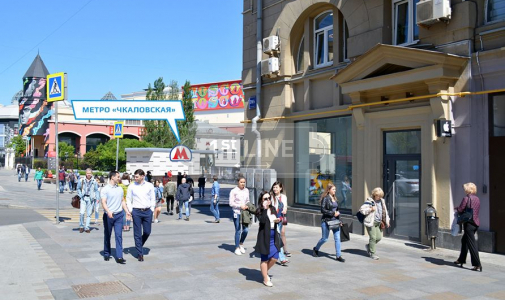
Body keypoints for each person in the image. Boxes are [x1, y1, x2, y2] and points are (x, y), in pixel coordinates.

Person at [126, 169, 156, 262]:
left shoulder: (149, 185)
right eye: (135, 176)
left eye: (137, 176)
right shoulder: (132, 186)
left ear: (143, 176)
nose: (135, 178)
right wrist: (131, 210)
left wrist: (151, 209)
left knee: (147, 232)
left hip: (147, 211)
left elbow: (152, 198)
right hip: (136, 211)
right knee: (137, 233)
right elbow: (128, 199)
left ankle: (139, 244)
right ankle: (140, 253)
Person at [312, 183, 345, 262]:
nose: (335, 191)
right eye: (333, 189)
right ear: (329, 190)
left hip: (335, 221)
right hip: (326, 221)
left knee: (337, 238)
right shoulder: (325, 198)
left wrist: (339, 220)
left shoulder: (335, 198)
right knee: (325, 239)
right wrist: (333, 213)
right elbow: (322, 210)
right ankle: (316, 249)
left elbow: (337, 210)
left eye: (335, 189)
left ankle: (338, 255)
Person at [255, 191, 282, 287]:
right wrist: (265, 208)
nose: (268, 200)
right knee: (264, 259)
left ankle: (264, 272)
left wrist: (278, 220)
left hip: (273, 236)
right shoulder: (259, 210)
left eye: (269, 198)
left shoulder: (273, 208)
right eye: (265, 199)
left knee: (275, 257)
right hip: (264, 237)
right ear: (261, 201)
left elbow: (275, 219)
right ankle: (265, 279)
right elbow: (262, 221)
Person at [101, 171, 129, 264]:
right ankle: (106, 253)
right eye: (117, 176)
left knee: (118, 235)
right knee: (107, 235)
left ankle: (119, 256)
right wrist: (108, 211)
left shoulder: (120, 189)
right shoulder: (105, 189)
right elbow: (103, 202)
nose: (119, 178)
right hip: (109, 216)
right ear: (112, 177)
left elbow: (122, 201)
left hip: (119, 215)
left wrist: (127, 211)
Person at [454, 182, 482, 272]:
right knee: (464, 240)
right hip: (475, 223)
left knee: (471, 244)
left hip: (469, 223)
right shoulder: (477, 199)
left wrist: (456, 208)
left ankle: (477, 264)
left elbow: (461, 209)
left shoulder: (466, 198)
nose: (464, 190)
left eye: (465, 188)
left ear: (468, 189)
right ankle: (461, 259)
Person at [360, 187, 390, 260]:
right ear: (374, 194)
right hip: (371, 222)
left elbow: (385, 212)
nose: (379, 197)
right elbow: (362, 210)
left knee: (379, 237)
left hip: (379, 222)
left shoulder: (382, 201)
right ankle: (372, 253)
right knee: (373, 238)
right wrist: (371, 209)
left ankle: (369, 246)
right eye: (378, 196)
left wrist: (387, 221)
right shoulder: (370, 201)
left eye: (380, 196)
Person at [229, 176, 251, 256]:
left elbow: (247, 200)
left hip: (245, 213)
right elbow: (231, 203)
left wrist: (248, 205)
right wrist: (239, 206)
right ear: (238, 182)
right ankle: (237, 247)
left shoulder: (246, 190)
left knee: (246, 230)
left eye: (244, 182)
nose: (243, 184)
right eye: (241, 182)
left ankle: (241, 243)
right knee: (238, 230)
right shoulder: (233, 191)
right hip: (237, 212)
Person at [270, 181, 290, 265]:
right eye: (274, 187)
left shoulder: (283, 197)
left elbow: (285, 206)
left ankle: (274, 253)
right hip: (273, 220)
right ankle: (282, 258)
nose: (275, 189)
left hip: (281, 219)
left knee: (277, 237)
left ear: (280, 188)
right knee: (277, 238)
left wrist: (285, 209)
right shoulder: (271, 197)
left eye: (276, 187)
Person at [77, 168, 100, 233]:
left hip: (90, 198)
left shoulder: (94, 181)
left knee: (89, 214)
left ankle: (87, 227)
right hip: (83, 198)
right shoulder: (81, 180)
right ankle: (81, 226)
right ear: (85, 173)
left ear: (91, 174)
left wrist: (97, 198)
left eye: (90, 173)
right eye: (87, 173)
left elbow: (96, 190)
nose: (88, 175)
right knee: (82, 213)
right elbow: (78, 188)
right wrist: (80, 195)